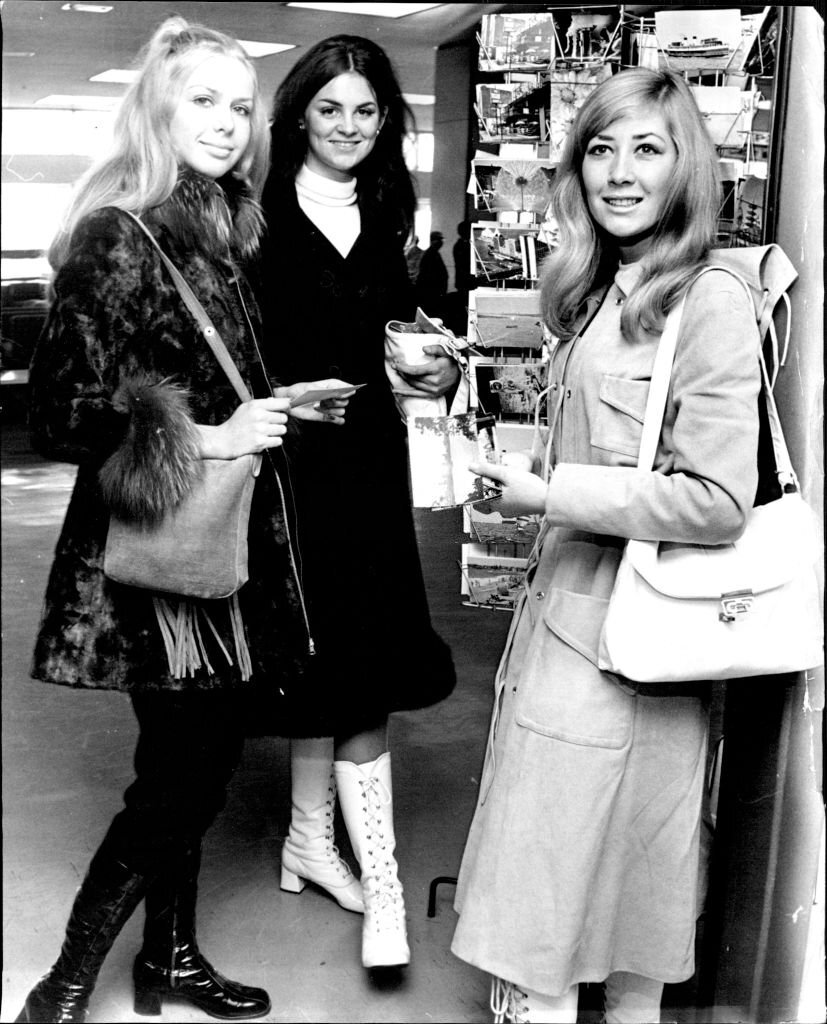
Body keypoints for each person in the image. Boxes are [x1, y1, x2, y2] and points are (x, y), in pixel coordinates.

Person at [16, 18, 353, 1023]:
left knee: (192, 766)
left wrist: (278, 406)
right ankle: (63, 984)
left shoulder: (212, 228)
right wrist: (214, 437)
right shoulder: (119, 233)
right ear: (157, 108)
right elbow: (62, 415)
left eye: (239, 105)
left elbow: (194, 379)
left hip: (211, 553)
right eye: (202, 100)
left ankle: (169, 960)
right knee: (183, 777)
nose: (226, 121)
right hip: (150, 565)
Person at [451, 67, 762, 1024]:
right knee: (554, 913)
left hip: (630, 649)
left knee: (603, 925)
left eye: (646, 149)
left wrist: (554, 493)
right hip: (569, 630)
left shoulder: (709, 298)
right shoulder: (595, 291)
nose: (619, 173)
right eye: (600, 148)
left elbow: (717, 499)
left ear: (685, 168)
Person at [259, 35, 458, 971]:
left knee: (367, 663)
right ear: (299, 114)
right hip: (285, 471)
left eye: (366, 111)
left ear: (385, 121)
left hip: (370, 470)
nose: (347, 126)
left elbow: (380, 335)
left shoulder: (387, 211)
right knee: (313, 658)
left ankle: (379, 883)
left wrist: (425, 363)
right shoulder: (252, 214)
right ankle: (311, 842)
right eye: (329, 108)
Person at [416, 229, 449, 315]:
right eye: (439, 240)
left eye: (442, 240)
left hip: (435, 293)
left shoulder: (434, 253)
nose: (441, 242)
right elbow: (428, 277)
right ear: (433, 241)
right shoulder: (430, 254)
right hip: (432, 294)